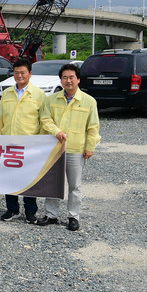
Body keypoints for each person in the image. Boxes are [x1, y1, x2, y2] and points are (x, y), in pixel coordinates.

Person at [37, 63, 101, 231]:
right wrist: (56, 131)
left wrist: (90, 146)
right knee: (52, 183)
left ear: (78, 79)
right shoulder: (51, 99)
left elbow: (93, 127)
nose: (68, 81)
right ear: (61, 80)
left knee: (74, 185)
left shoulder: (88, 101)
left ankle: (73, 216)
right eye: (64, 77)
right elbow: (45, 119)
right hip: (54, 149)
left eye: (72, 77)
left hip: (76, 149)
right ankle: (51, 214)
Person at [0, 58, 46, 224]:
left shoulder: (38, 94)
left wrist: (40, 144)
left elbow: (43, 121)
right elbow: (0, 118)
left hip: (29, 146)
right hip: (8, 144)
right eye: (16, 73)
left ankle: (30, 211)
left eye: (23, 72)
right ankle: (12, 209)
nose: (19, 76)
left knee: (29, 179)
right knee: (10, 178)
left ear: (30, 73)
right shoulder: (7, 93)